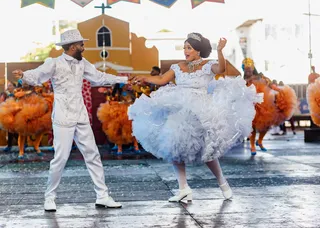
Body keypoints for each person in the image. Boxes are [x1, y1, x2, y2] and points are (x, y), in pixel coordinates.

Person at [128, 33, 261, 202]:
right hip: (179, 109)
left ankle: (223, 183)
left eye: (189, 48)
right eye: (184, 47)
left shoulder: (207, 65)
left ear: (198, 50)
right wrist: (145, 78)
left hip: (201, 111)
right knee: (174, 145)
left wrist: (220, 50)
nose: (185, 51)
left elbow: (221, 69)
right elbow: (161, 79)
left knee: (207, 151)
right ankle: (183, 188)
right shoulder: (178, 66)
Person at [12, 29, 127, 212]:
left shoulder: (83, 63)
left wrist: (123, 79)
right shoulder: (54, 63)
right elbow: (38, 75)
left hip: (80, 115)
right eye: (82, 44)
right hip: (63, 117)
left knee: (93, 155)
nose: (84, 46)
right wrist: (25, 75)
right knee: (61, 158)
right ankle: (49, 198)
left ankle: (102, 196)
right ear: (73, 47)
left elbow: (99, 77)